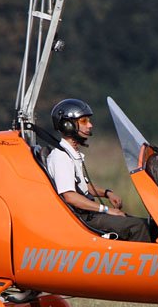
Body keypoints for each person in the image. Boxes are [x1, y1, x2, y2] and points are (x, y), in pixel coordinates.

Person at [46, 98, 152, 242]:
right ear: (67, 125)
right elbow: (70, 196)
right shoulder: (61, 157)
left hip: (90, 214)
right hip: (83, 218)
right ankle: (142, 264)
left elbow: (82, 186)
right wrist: (106, 210)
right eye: (84, 121)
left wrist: (107, 193)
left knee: (149, 224)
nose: (90, 125)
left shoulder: (71, 154)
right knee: (138, 227)